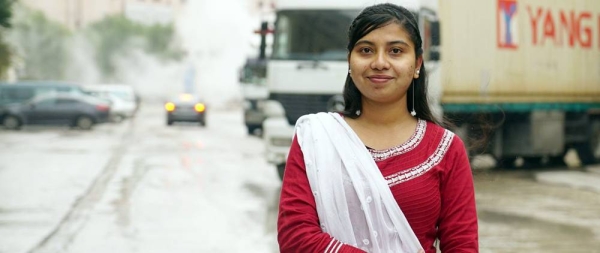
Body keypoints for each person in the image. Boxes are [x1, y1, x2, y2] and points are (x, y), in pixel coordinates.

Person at [277, 3, 478, 253]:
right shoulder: (316, 138)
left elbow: (462, 246)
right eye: (366, 50)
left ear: (417, 64)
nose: (380, 62)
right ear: (350, 61)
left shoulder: (446, 148)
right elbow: (295, 237)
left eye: (395, 51)